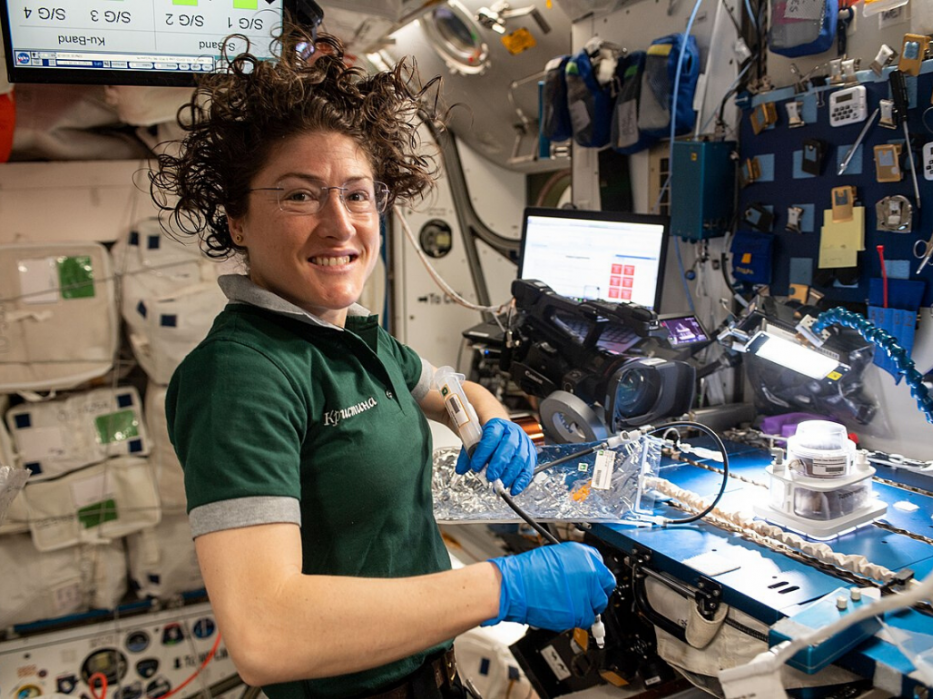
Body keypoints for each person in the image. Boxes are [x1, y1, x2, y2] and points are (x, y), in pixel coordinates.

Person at [151, 25, 616, 699]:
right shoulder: (242, 375)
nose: (340, 225)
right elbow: (264, 633)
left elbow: (450, 387)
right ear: (236, 222)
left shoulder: (356, 338)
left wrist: (485, 421)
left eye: (358, 193)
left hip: (429, 673)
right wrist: (504, 587)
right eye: (299, 194)